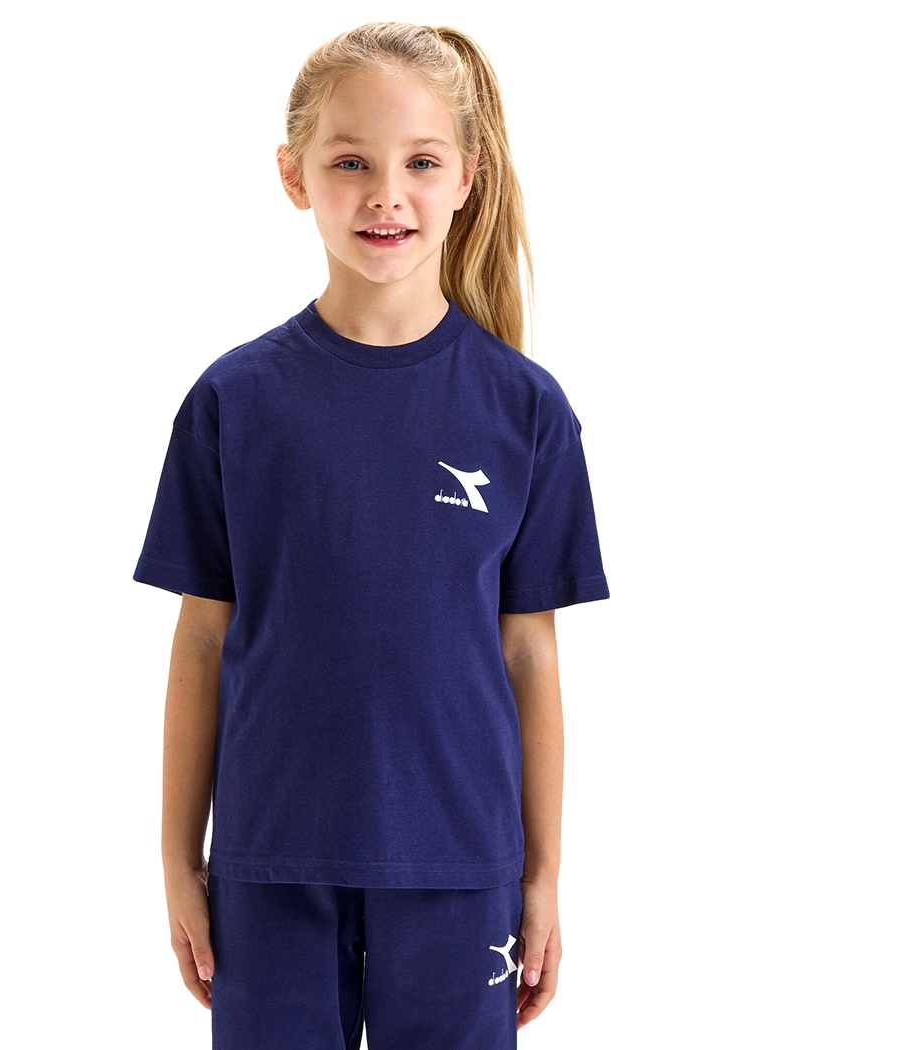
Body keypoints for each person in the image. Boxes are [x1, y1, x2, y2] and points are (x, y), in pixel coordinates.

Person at [134, 21, 609, 1049]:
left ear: (468, 178)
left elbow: (530, 656)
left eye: (421, 163)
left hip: (460, 869)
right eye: (351, 162)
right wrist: (178, 863)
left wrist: (541, 878)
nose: (386, 194)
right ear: (294, 176)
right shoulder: (233, 403)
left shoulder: (525, 411)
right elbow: (202, 642)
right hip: (269, 866)